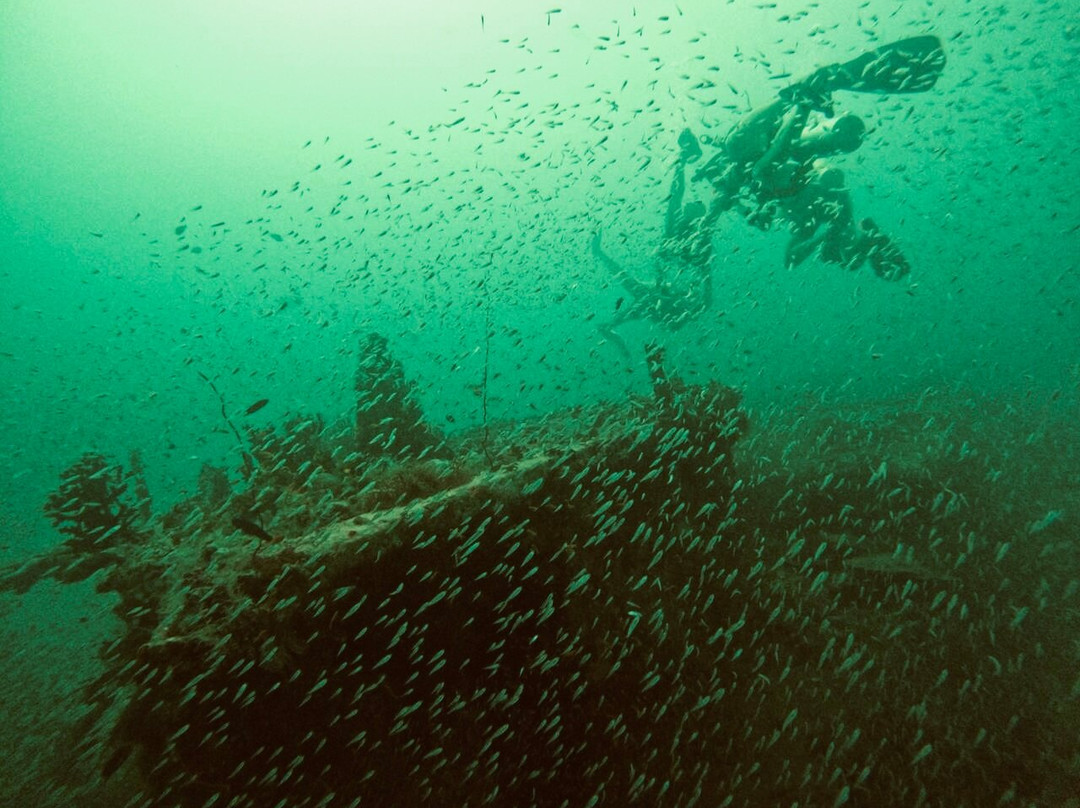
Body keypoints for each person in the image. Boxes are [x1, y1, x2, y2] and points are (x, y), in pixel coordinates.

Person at [693, 35, 946, 281]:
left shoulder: (746, 177)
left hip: (772, 147)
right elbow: (791, 257)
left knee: (742, 148)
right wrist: (834, 234)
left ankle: (806, 95)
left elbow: (787, 255)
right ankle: (810, 95)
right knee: (850, 256)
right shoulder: (818, 207)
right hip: (796, 162)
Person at [592, 128, 723, 358]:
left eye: (696, 206)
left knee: (639, 291)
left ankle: (612, 324)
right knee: (640, 292)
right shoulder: (682, 232)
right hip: (664, 300)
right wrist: (681, 163)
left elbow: (706, 299)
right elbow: (677, 195)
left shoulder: (697, 238)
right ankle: (612, 326)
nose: (693, 202)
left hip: (671, 303)